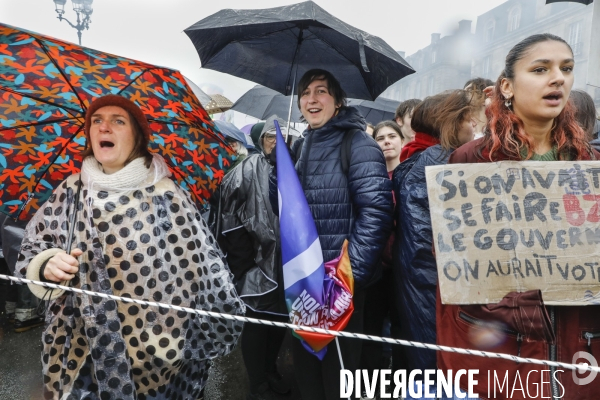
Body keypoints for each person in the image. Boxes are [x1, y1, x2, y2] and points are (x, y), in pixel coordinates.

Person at [14, 95, 244, 399]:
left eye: (117, 121)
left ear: (137, 136)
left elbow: (203, 274)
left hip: (153, 357)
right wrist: (47, 265)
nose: (104, 127)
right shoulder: (71, 190)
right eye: (97, 121)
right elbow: (32, 249)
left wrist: (169, 334)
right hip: (79, 352)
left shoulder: (165, 195)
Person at [437, 34, 600, 399]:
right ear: (507, 86)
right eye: (541, 69)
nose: (557, 78)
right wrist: (515, 304)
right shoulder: (470, 160)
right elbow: (453, 262)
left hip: (580, 351)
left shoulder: (591, 165)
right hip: (503, 355)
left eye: (566, 68)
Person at [270, 69, 394, 400]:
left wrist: (348, 278)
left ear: (338, 101)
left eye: (321, 91)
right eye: (306, 92)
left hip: (339, 284)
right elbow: (283, 209)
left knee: (339, 376)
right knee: (307, 370)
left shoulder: (359, 144)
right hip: (303, 280)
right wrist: (276, 170)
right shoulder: (300, 145)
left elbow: (377, 212)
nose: (312, 98)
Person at [394, 90, 478, 399]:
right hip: (435, 289)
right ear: (452, 123)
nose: (474, 125)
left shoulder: (431, 158)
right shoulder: (441, 162)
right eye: (469, 119)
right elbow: (423, 243)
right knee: (441, 372)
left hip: (431, 286)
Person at [210, 115, 290, 400]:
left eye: (281, 137)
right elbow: (230, 220)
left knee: (281, 319)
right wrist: (244, 266)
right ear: (260, 141)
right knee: (257, 322)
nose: (277, 142)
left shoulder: (293, 169)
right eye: (271, 137)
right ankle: (257, 382)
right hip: (255, 264)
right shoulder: (245, 170)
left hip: (285, 263)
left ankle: (271, 371)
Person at [359, 120, 407, 390]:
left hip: (403, 268)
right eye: (380, 138)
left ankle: (400, 385)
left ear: (402, 141)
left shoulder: (411, 174)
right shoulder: (370, 177)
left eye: (392, 136)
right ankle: (370, 386)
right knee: (371, 328)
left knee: (402, 329)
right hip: (376, 266)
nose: (387, 141)